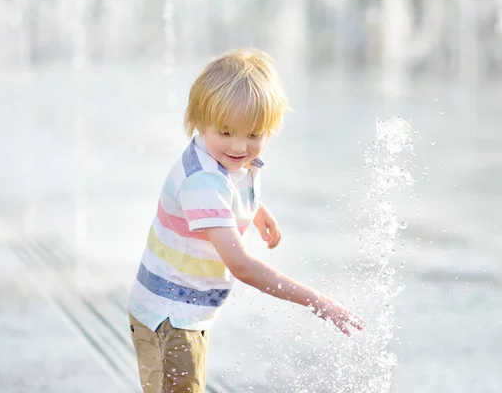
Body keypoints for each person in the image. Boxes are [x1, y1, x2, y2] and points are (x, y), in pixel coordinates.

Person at [128, 48, 365, 393]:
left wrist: (258, 211)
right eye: (226, 132)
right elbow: (241, 265)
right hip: (170, 318)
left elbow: (236, 183)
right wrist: (317, 302)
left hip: (183, 310)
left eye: (254, 135)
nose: (240, 147)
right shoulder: (203, 183)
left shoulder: (224, 157)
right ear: (199, 120)